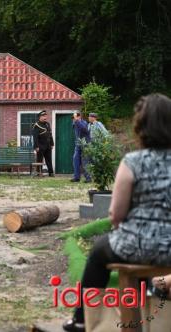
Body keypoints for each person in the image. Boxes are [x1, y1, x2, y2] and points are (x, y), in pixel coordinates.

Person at [63, 93, 171, 332]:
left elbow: (116, 215)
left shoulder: (132, 162)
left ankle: (81, 319)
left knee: (98, 253)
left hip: (136, 244)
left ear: (140, 126)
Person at [32, 110, 54, 176]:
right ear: (40, 117)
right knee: (39, 160)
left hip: (48, 145)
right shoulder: (36, 125)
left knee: (49, 159)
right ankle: (39, 173)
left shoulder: (47, 124)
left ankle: (51, 173)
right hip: (40, 145)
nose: (45, 117)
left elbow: (50, 134)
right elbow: (35, 137)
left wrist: (52, 143)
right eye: (43, 116)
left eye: (46, 116)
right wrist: (36, 146)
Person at [71, 111, 91, 183]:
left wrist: (77, 121)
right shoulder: (75, 123)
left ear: (79, 117)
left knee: (85, 161)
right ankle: (77, 177)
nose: (73, 119)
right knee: (75, 160)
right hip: (78, 144)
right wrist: (76, 121)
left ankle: (88, 178)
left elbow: (84, 129)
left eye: (75, 117)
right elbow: (74, 126)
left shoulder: (84, 123)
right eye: (73, 118)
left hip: (85, 144)